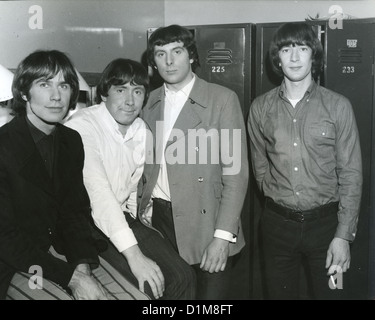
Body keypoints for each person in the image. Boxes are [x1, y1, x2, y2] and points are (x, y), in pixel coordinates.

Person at [0, 50, 149, 300]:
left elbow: (74, 213)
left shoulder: (71, 140)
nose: (56, 96)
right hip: (18, 262)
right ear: (25, 92)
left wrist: (81, 267)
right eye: (44, 84)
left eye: (65, 85)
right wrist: (72, 279)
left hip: (64, 251)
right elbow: (5, 238)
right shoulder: (4, 146)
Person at [247, 22, 363, 300]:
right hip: (277, 227)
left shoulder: (338, 106)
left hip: (327, 227)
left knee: (333, 294)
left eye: (302, 48)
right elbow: (259, 167)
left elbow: (351, 174)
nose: (295, 57)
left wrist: (343, 236)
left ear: (315, 55)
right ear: (277, 58)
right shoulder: (260, 108)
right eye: (287, 50)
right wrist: (279, 200)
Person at [65, 58, 196, 300]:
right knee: (146, 286)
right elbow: (99, 194)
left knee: (182, 276)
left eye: (137, 91)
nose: (129, 101)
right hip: (85, 224)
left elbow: (134, 188)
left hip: (121, 216)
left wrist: (141, 229)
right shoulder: (81, 127)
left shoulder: (141, 131)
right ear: (104, 94)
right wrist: (135, 256)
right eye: (120, 90)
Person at [138, 24, 249, 300]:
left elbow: (236, 175)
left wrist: (222, 238)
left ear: (191, 56)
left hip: (207, 224)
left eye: (176, 51)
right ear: (153, 61)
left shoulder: (222, 100)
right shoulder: (148, 102)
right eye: (160, 54)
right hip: (159, 223)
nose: (169, 61)